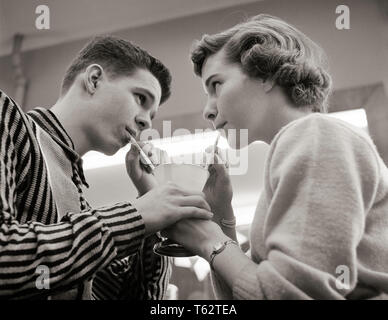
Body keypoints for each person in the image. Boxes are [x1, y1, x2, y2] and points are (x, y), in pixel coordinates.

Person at [163, 14, 388, 299]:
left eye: (216, 85)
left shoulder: (317, 134)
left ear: (265, 73)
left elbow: (287, 294)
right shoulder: (302, 149)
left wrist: (208, 240)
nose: (207, 111)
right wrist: (222, 219)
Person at [0, 36, 213, 299]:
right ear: (94, 80)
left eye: (152, 114)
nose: (146, 121)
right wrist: (137, 215)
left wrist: (148, 201)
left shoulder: (81, 208)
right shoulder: (5, 115)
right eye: (140, 98)